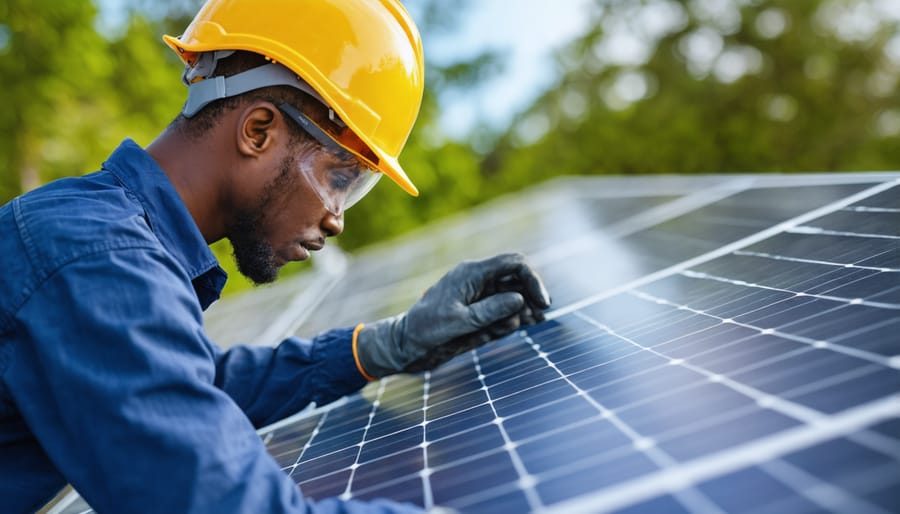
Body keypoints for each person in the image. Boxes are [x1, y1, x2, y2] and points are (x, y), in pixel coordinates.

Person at [0, 1, 551, 513]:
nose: (337, 218)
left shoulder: (102, 236)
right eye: (341, 178)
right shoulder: (96, 258)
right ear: (259, 131)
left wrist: (381, 347)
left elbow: (188, 387)